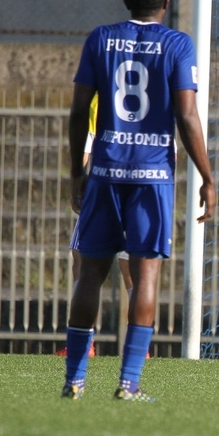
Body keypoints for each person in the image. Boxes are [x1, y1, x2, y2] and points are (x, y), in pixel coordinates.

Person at [62, 0, 216, 402]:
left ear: (126, 3)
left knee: (90, 272)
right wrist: (207, 176)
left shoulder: (99, 38)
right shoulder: (177, 44)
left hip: (106, 170)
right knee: (146, 273)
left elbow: (78, 112)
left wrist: (77, 170)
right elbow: (186, 117)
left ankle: (74, 380)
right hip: (152, 175)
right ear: (165, 5)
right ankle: (128, 383)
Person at [58, 94, 135, 359]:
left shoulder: (100, 90)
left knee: (88, 263)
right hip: (141, 185)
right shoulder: (154, 84)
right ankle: (137, 350)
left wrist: (77, 180)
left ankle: (83, 347)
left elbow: (85, 140)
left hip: (105, 184)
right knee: (132, 266)